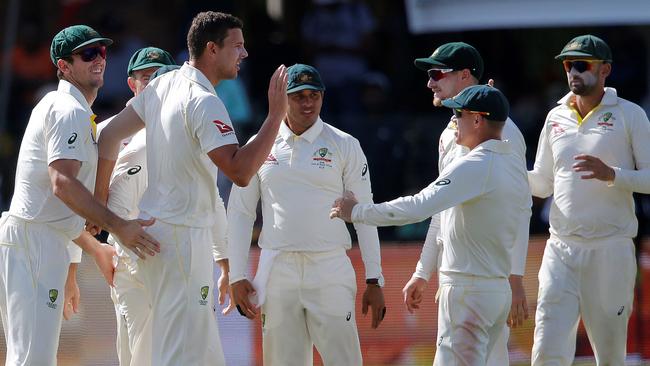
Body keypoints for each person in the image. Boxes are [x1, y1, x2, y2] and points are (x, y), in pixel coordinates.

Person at [95, 11, 288, 366]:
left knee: (200, 351)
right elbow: (241, 172)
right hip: (182, 239)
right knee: (178, 354)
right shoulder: (204, 100)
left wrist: (98, 205)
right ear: (212, 50)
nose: (244, 55)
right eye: (238, 47)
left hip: (164, 235)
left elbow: (108, 136)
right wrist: (276, 116)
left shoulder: (163, 85)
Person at [331, 84, 531, 366]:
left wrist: (358, 212)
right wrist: (424, 272)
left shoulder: (476, 165)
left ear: (478, 119)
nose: (453, 120)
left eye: (458, 113)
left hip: (469, 292)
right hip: (494, 289)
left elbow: (419, 206)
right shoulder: (511, 163)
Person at [0, 24, 159, 366]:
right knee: (32, 359)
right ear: (64, 66)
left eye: (101, 52)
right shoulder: (67, 109)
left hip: (44, 241)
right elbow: (62, 184)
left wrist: (75, 264)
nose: (99, 59)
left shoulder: (77, 113)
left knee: (34, 357)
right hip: (36, 242)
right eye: (87, 54)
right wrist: (119, 227)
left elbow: (59, 205)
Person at [228, 63, 386, 366]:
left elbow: (366, 214)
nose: (308, 103)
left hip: (329, 266)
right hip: (277, 268)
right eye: (299, 96)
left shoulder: (344, 144)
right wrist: (237, 275)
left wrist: (374, 279)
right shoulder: (261, 144)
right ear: (283, 99)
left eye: (314, 95)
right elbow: (240, 212)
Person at [401, 42, 531, 365]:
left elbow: (522, 207)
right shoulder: (450, 132)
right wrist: (423, 272)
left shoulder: (503, 131)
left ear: (463, 75)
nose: (430, 83)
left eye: (436, 73)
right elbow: (441, 208)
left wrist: (515, 278)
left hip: (486, 281)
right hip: (459, 278)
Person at [529, 34, 650, 365]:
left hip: (611, 249)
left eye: (581, 65)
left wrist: (613, 175)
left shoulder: (630, 115)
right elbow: (541, 183)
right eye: (569, 65)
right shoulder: (555, 118)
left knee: (610, 356)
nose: (573, 73)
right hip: (561, 249)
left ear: (605, 70)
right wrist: (504, 169)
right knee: (547, 346)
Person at [100, 46, 176, 366]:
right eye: (146, 78)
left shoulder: (184, 129)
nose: (153, 83)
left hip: (172, 256)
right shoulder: (106, 132)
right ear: (133, 84)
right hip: (125, 260)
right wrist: (96, 248)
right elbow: (88, 198)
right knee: (133, 354)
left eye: (160, 76)